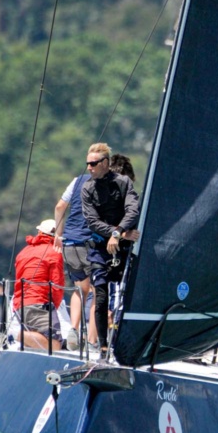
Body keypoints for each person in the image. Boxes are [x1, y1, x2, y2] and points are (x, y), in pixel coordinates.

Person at [81, 143, 140, 354]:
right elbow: (91, 221)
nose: (89, 167)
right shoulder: (87, 188)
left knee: (128, 294)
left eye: (93, 163)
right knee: (101, 296)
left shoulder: (123, 182)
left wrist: (119, 234)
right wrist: (118, 233)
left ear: (105, 163)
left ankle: (126, 342)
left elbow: (133, 210)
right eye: (87, 163)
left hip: (123, 249)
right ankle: (103, 345)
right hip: (99, 248)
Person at [54, 169, 95, 351]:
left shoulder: (76, 181)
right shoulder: (106, 182)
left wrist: (58, 234)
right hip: (89, 243)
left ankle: (73, 330)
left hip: (69, 243)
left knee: (80, 289)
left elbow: (59, 207)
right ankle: (93, 342)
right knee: (98, 292)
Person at [12, 219, 65, 351]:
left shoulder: (23, 252)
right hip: (39, 304)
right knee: (54, 344)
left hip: (20, 304)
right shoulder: (54, 252)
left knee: (37, 345)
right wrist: (54, 307)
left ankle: (14, 334)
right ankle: (11, 334)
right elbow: (56, 286)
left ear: (40, 232)